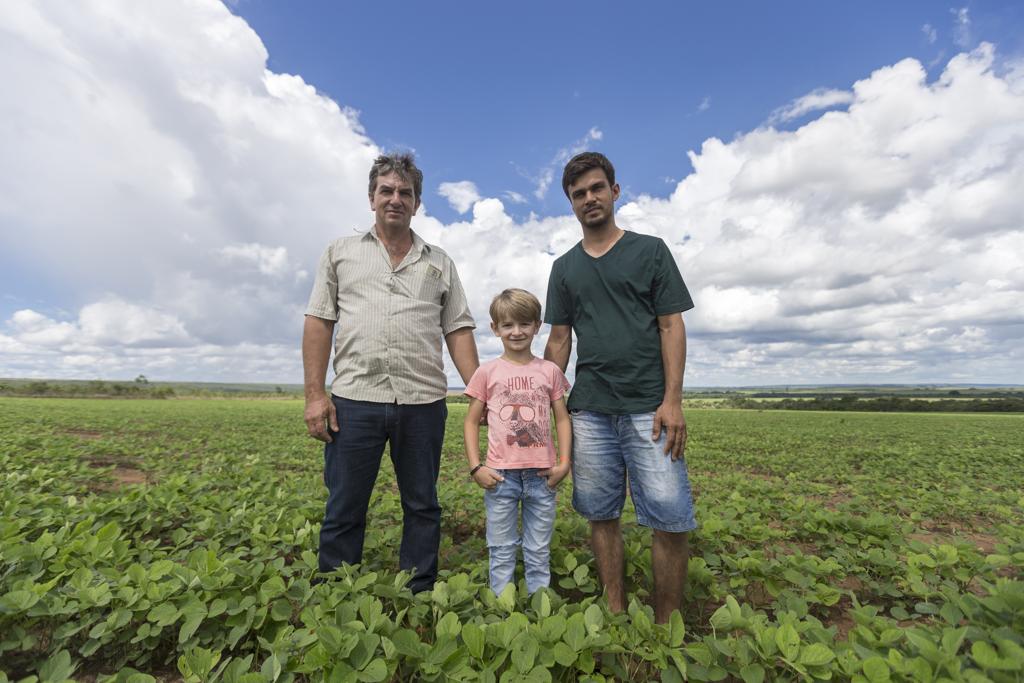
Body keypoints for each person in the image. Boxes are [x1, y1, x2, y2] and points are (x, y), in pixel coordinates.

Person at [302, 153, 479, 593]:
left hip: (423, 402)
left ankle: (417, 590)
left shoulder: (438, 261)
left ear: (417, 203)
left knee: (422, 504)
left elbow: (457, 328)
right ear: (371, 197)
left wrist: (481, 392)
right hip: (354, 400)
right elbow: (320, 321)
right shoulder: (340, 252)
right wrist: (314, 395)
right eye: (387, 191)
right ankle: (335, 592)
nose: (395, 199)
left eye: (406, 193)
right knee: (345, 503)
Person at [543, 152, 696, 623]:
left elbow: (671, 325)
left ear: (614, 191)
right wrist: (540, 401)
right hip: (590, 409)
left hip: (649, 408)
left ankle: (666, 620)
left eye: (595, 188)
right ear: (571, 204)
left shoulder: (650, 251)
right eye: (578, 194)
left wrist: (672, 401)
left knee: (670, 518)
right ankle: (614, 607)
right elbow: (560, 339)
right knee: (600, 514)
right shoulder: (564, 267)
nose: (589, 198)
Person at [463, 288, 572, 595]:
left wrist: (564, 462)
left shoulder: (549, 371)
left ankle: (540, 611)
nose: (517, 331)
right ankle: (503, 611)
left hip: (542, 477)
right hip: (500, 477)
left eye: (525, 324)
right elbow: (471, 421)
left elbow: (562, 418)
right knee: (501, 549)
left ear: (537, 326)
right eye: (508, 325)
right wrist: (475, 467)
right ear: (495, 328)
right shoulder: (487, 372)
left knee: (539, 550)